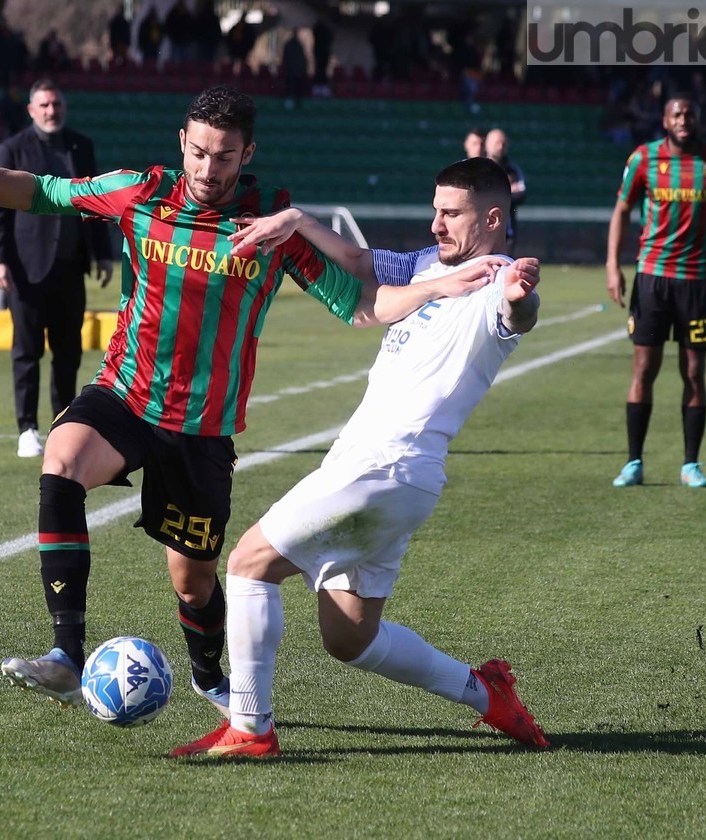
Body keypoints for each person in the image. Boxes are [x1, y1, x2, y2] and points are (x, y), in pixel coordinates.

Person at [0, 85, 476, 714]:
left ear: (247, 154)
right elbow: (44, 193)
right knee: (62, 460)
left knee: (194, 583)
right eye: (200, 152)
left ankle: (209, 675)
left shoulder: (270, 223)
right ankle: (66, 655)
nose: (209, 169)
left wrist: (439, 288)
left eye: (225, 156)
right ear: (182, 143)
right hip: (126, 393)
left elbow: (362, 306)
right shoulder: (144, 191)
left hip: (202, 428)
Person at [171, 157, 548, 758]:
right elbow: (358, 262)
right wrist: (294, 220)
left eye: (450, 213)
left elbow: (516, 317)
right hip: (398, 479)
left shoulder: (500, 281)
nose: (435, 224)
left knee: (247, 564)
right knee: (350, 638)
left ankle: (249, 728)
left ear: (494, 218)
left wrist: (519, 299)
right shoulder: (431, 266)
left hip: (385, 465)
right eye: (434, 209)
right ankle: (488, 694)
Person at [606, 94, 706, 489]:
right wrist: (612, 265)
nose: (684, 119)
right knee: (643, 369)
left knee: (694, 372)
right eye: (677, 114)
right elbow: (622, 210)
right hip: (653, 279)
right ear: (665, 120)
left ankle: (691, 464)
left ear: (698, 119)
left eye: (690, 113)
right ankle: (633, 462)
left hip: (699, 281)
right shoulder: (643, 159)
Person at [0, 80, 114, 459]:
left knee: (68, 352)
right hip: (26, 268)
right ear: (31, 109)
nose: (51, 111)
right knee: (26, 351)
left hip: (71, 268)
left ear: (64, 106)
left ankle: (63, 425)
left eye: (56, 104)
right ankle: (27, 428)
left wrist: (102, 254)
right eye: (43, 105)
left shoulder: (81, 146)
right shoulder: (11, 149)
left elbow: (96, 203)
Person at [484, 128, 525, 250]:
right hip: (482, 229)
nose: (500, 146)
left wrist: (493, 192)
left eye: (503, 143)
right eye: (497, 143)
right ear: (487, 144)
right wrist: (507, 190)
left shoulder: (513, 170)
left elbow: (521, 194)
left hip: (506, 230)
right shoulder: (479, 168)